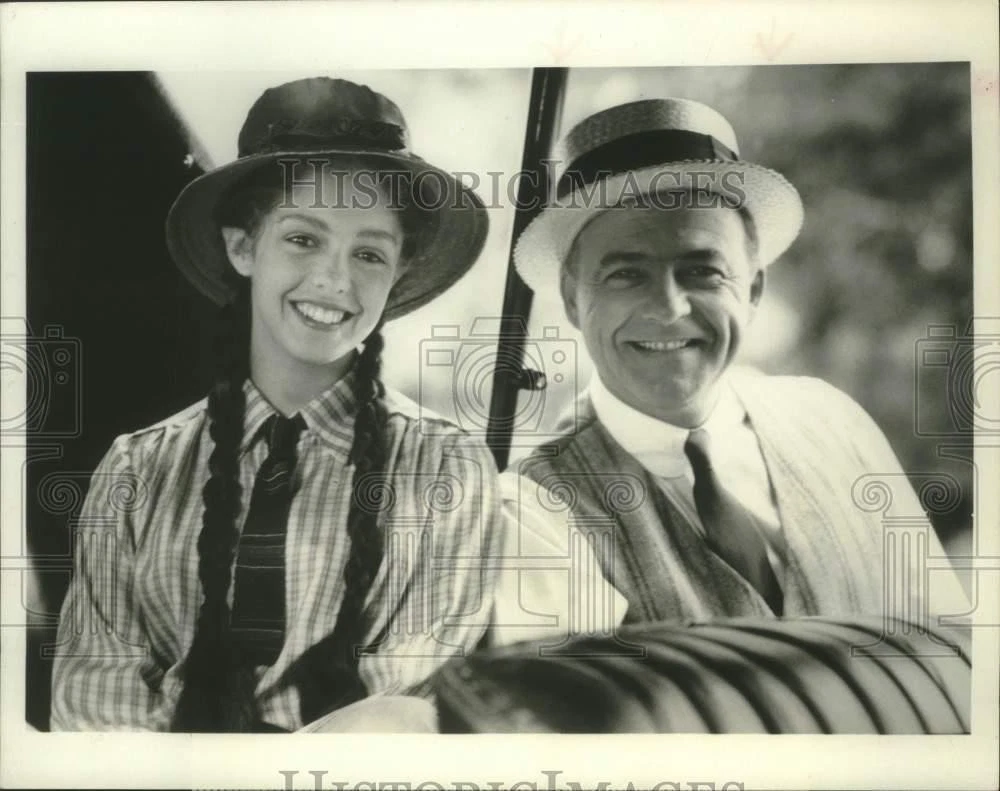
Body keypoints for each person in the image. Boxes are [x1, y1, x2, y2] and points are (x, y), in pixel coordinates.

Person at [50, 76, 620, 733]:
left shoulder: (446, 470)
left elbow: (406, 710)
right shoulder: (136, 470)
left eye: (369, 252)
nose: (333, 279)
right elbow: (94, 700)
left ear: (399, 272)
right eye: (302, 238)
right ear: (243, 247)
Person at [510, 97, 969, 625]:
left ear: (752, 289)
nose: (669, 308)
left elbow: (951, 645)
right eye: (626, 274)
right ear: (572, 299)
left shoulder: (834, 422)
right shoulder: (534, 505)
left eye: (702, 271)